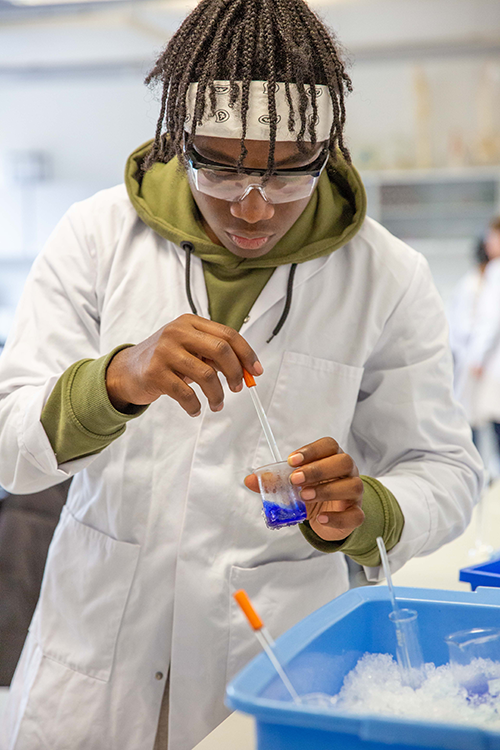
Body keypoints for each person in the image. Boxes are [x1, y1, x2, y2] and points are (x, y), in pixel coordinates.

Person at [0, 1, 482, 748]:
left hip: (272, 669)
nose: (253, 208)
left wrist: (369, 510)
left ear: (327, 151)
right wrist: (116, 382)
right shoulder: (95, 239)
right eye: (218, 168)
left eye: (290, 174)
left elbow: (449, 470)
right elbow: (10, 444)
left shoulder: (386, 276)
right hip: (93, 673)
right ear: (179, 139)